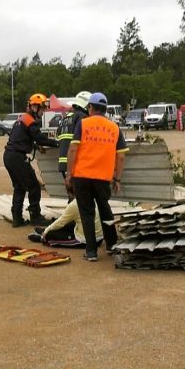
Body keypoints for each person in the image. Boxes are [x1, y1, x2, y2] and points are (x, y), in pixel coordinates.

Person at [65, 92, 129, 262]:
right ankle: (112, 245)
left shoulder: (83, 124)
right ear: (106, 109)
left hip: (82, 176)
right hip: (103, 178)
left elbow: (72, 149)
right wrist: (117, 179)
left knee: (87, 213)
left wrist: (69, 174)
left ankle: (91, 252)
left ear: (91, 108)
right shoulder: (115, 128)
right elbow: (121, 156)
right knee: (105, 209)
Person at [3, 93, 59, 227]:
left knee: (19, 187)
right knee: (34, 187)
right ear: (34, 107)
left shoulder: (21, 119)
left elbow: (20, 138)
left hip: (9, 156)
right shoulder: (30, 121)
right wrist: (57, 143)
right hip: (17, 157)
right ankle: (36, 216)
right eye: (42, 108)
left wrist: (35, 146)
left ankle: (17, 218)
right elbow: (40, 138)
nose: (44, 111)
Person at [28, 199, 103, 249]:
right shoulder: (91, 197)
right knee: (68, 221)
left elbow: (61, 222)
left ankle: (44, 237)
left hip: (86, 240)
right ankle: (45, 231)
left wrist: (47, 230)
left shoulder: (74, 204)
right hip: (96, 235)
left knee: (51, 234)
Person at [58, 91, 90, 181]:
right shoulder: (82, 117)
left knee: (71, 193)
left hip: (63, 163)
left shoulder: (65, 118)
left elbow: (58, 137)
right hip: (75, 164)